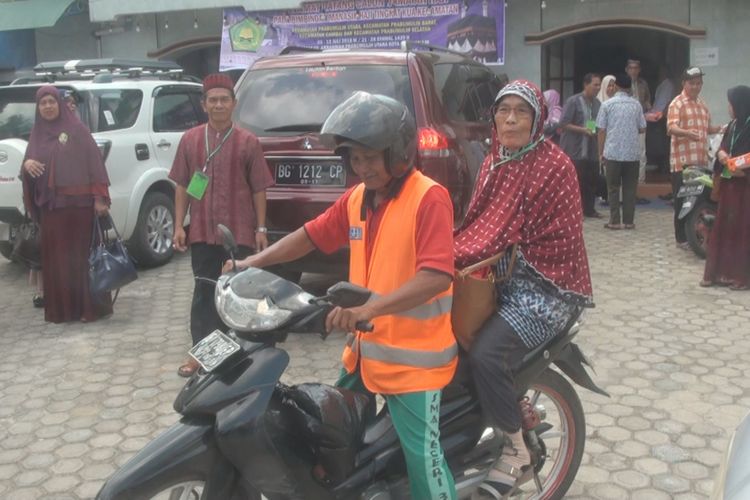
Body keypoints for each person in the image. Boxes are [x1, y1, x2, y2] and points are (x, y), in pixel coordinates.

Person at [226, 92, 458, 500]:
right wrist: (254, 263)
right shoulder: (358, 199)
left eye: (371, 157)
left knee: (423, 458)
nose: (362, 167)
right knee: (330, 436)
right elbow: (310, 237)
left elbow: (436, 276)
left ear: (397, 153)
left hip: (414, 362)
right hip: (366, 350)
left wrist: (370, 307)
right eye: (354, 158)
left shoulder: (428, 197)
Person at [454, 80, 593, 498]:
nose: (510, 119)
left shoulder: (555, 165)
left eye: (521, 112)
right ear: (493, 117)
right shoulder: (494, 159)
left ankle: (515, 451)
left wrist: (455, 253)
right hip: (503, 277)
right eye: (503, 110)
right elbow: (477, 223)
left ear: (537, 119)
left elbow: (503, 232)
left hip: (547, 290)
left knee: (485, 354)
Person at [169, 73, 274, 377]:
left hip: (238, 233)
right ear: (204, 105)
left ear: (233, 104)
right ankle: (199, 355)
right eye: (212, 100)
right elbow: (182, 186)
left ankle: (238, 351)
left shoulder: (248, 142)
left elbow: (259, 188)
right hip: (201, 231)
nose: (218, 105)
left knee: (237, 294)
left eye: (224, 100)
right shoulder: (189, 140)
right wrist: (179, 225)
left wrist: (261, 229)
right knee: (204, 292)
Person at [20, 86, 112, 323]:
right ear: (38, 108)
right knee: (59, 260)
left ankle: (89, 309)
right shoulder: (37, 134)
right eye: (43, 103)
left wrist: (100, 197)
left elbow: (95, 163)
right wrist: (27, 165)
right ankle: (63, 310)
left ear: (59, 104)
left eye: (51, 101)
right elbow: (28, 167)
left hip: (80, 208)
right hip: (52, 210)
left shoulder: (76, 130)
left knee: (83, 259)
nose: (48, 106)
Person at [701, 85, 750, 291]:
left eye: (731, 104)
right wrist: (722, 155)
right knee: (724, 228)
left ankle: (740, 277)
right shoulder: (733, 125)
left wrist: (734, 164)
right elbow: (723, 146)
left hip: (745, 187)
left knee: (742, 230)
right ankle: (718, 273)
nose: (728, 108)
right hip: (730, 186)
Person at [667, 66, 722, 249]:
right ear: (684, 83)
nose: (696, 87)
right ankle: (680, 238)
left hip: (700, 162)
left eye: (699, 83)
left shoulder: (703, 104)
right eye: (692, 84)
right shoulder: (677, 103)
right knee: (681, 201)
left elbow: (708, 129)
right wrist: (687, 133)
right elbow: (671, 128)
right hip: (682, 163)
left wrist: (721, 129)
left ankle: (695, 236)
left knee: (698, 201)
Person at [596, 74, 647, 230]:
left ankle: (615, 221)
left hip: (612, 153)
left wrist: (601, 152)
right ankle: (629, 221)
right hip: (632, 154)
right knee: (630, 188)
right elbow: (643, 127)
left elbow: (601, 130)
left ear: (616, 86)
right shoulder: (636, 105)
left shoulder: (607, 105)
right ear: (630, 88)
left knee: (613, 188)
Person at [559, 73, 602, 218]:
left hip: (591, 150)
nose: (598, 88)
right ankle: (572, 211)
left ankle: (589, 210)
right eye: (595, 84)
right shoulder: (573, 101)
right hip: (574, 150)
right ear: (586, 85)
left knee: (590, 181)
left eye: (599, 85)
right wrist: (583, 130)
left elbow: (596, 124)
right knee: (574, 183)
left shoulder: (597, 104)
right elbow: (563, 124)